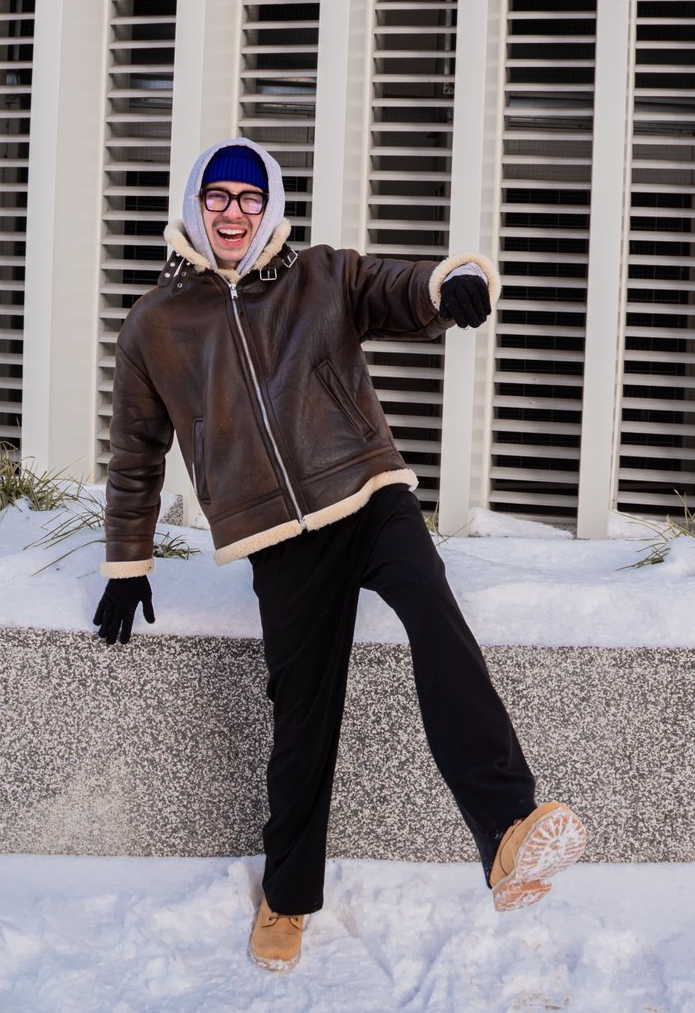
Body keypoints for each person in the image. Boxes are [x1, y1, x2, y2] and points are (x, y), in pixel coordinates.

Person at [93, 137, 586, 972]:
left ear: (271, 207)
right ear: (193, 203)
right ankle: (287, 900)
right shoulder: (155, 326)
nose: (233, 214)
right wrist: (126, 562)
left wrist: (448, 286)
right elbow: (136, 451)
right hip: (278, 541)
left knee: (436, 619)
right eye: (219, 196)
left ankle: (507, 829)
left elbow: (400, 288)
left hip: (368, 494)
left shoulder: (322, 275)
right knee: (303, 722)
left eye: (251, 199)